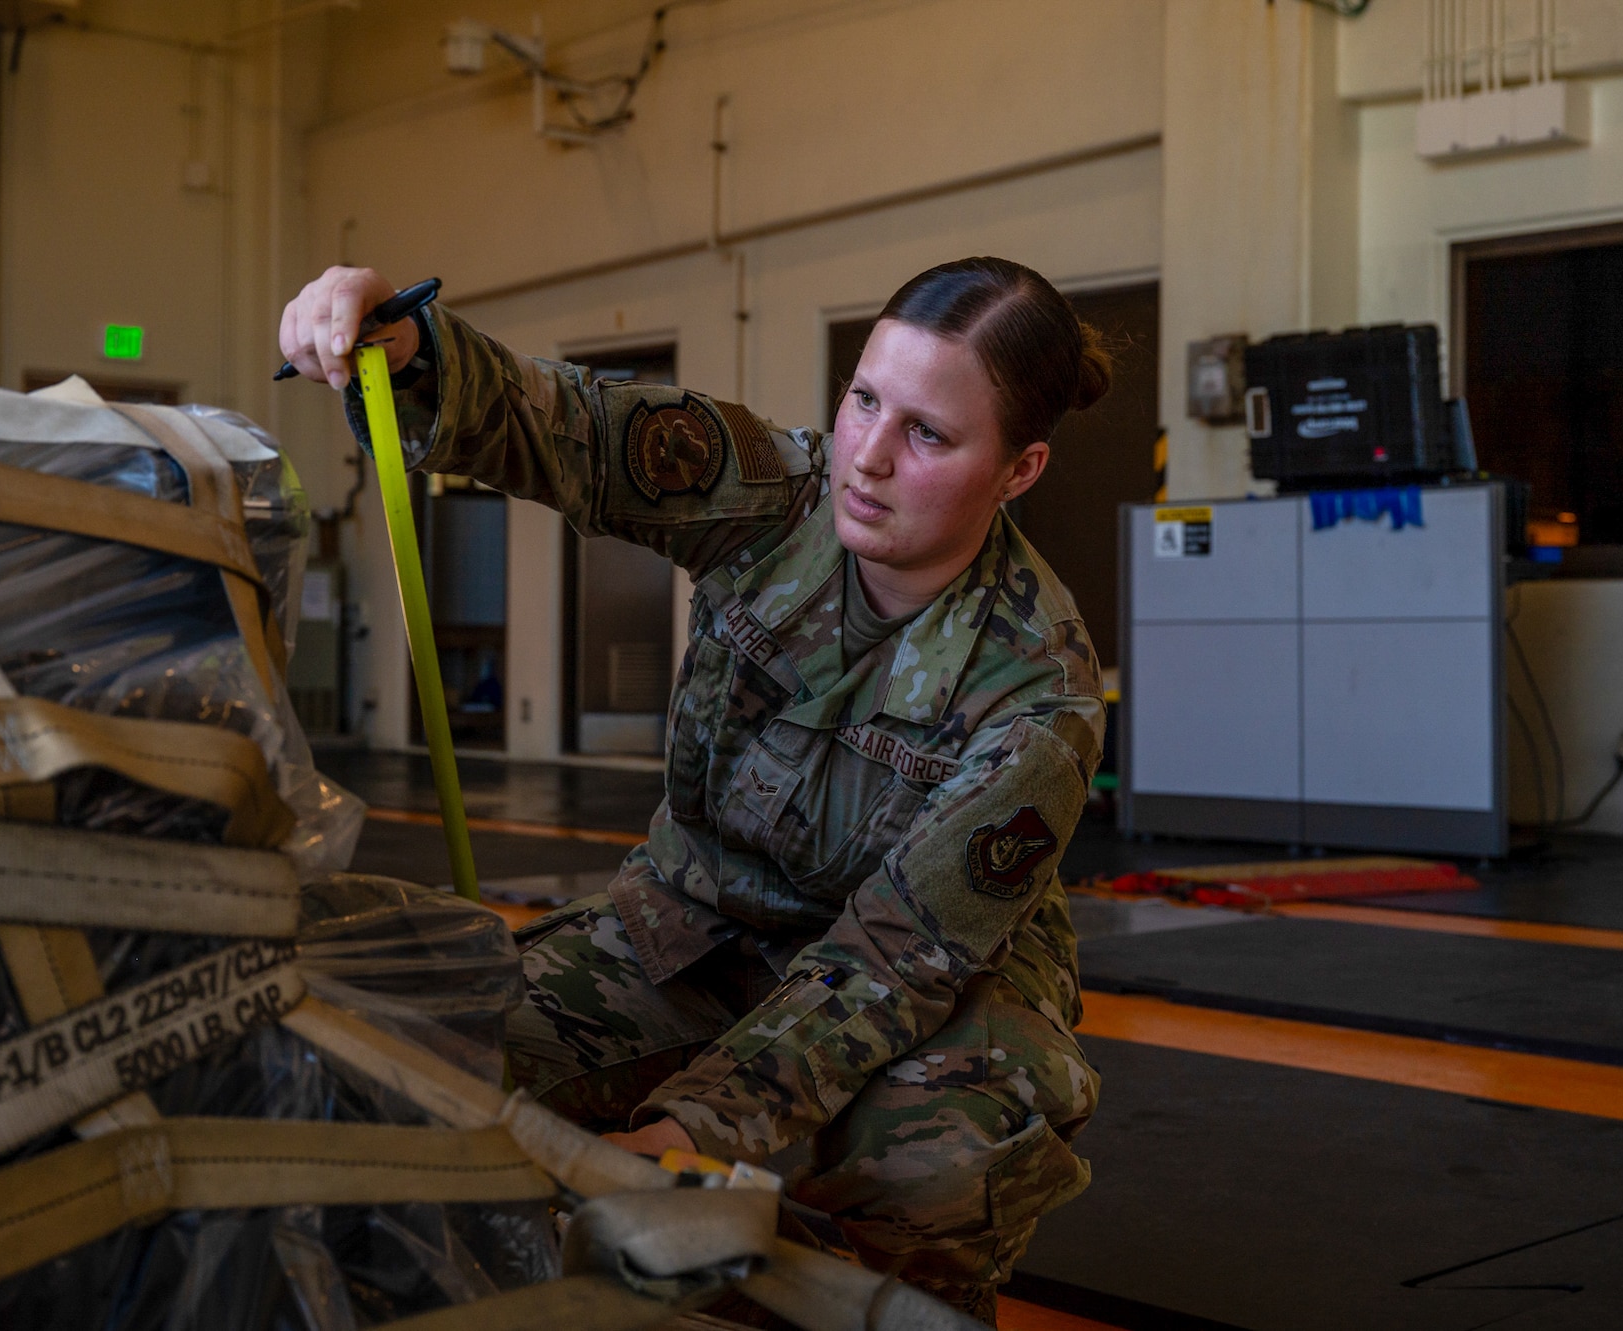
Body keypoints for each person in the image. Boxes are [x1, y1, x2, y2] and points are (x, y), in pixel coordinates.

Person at [278, 256, 1110, 1321]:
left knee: (932, 1166)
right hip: (693, 923)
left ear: (1017, 469)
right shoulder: (777, 491)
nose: (867, 454)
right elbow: (576, 426)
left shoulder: (1037, 690)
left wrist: (692, 1125)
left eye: (929, 435)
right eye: (863, 399)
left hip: (932, 971)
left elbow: (890, 963)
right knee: (433, 1059)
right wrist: (413, 354)